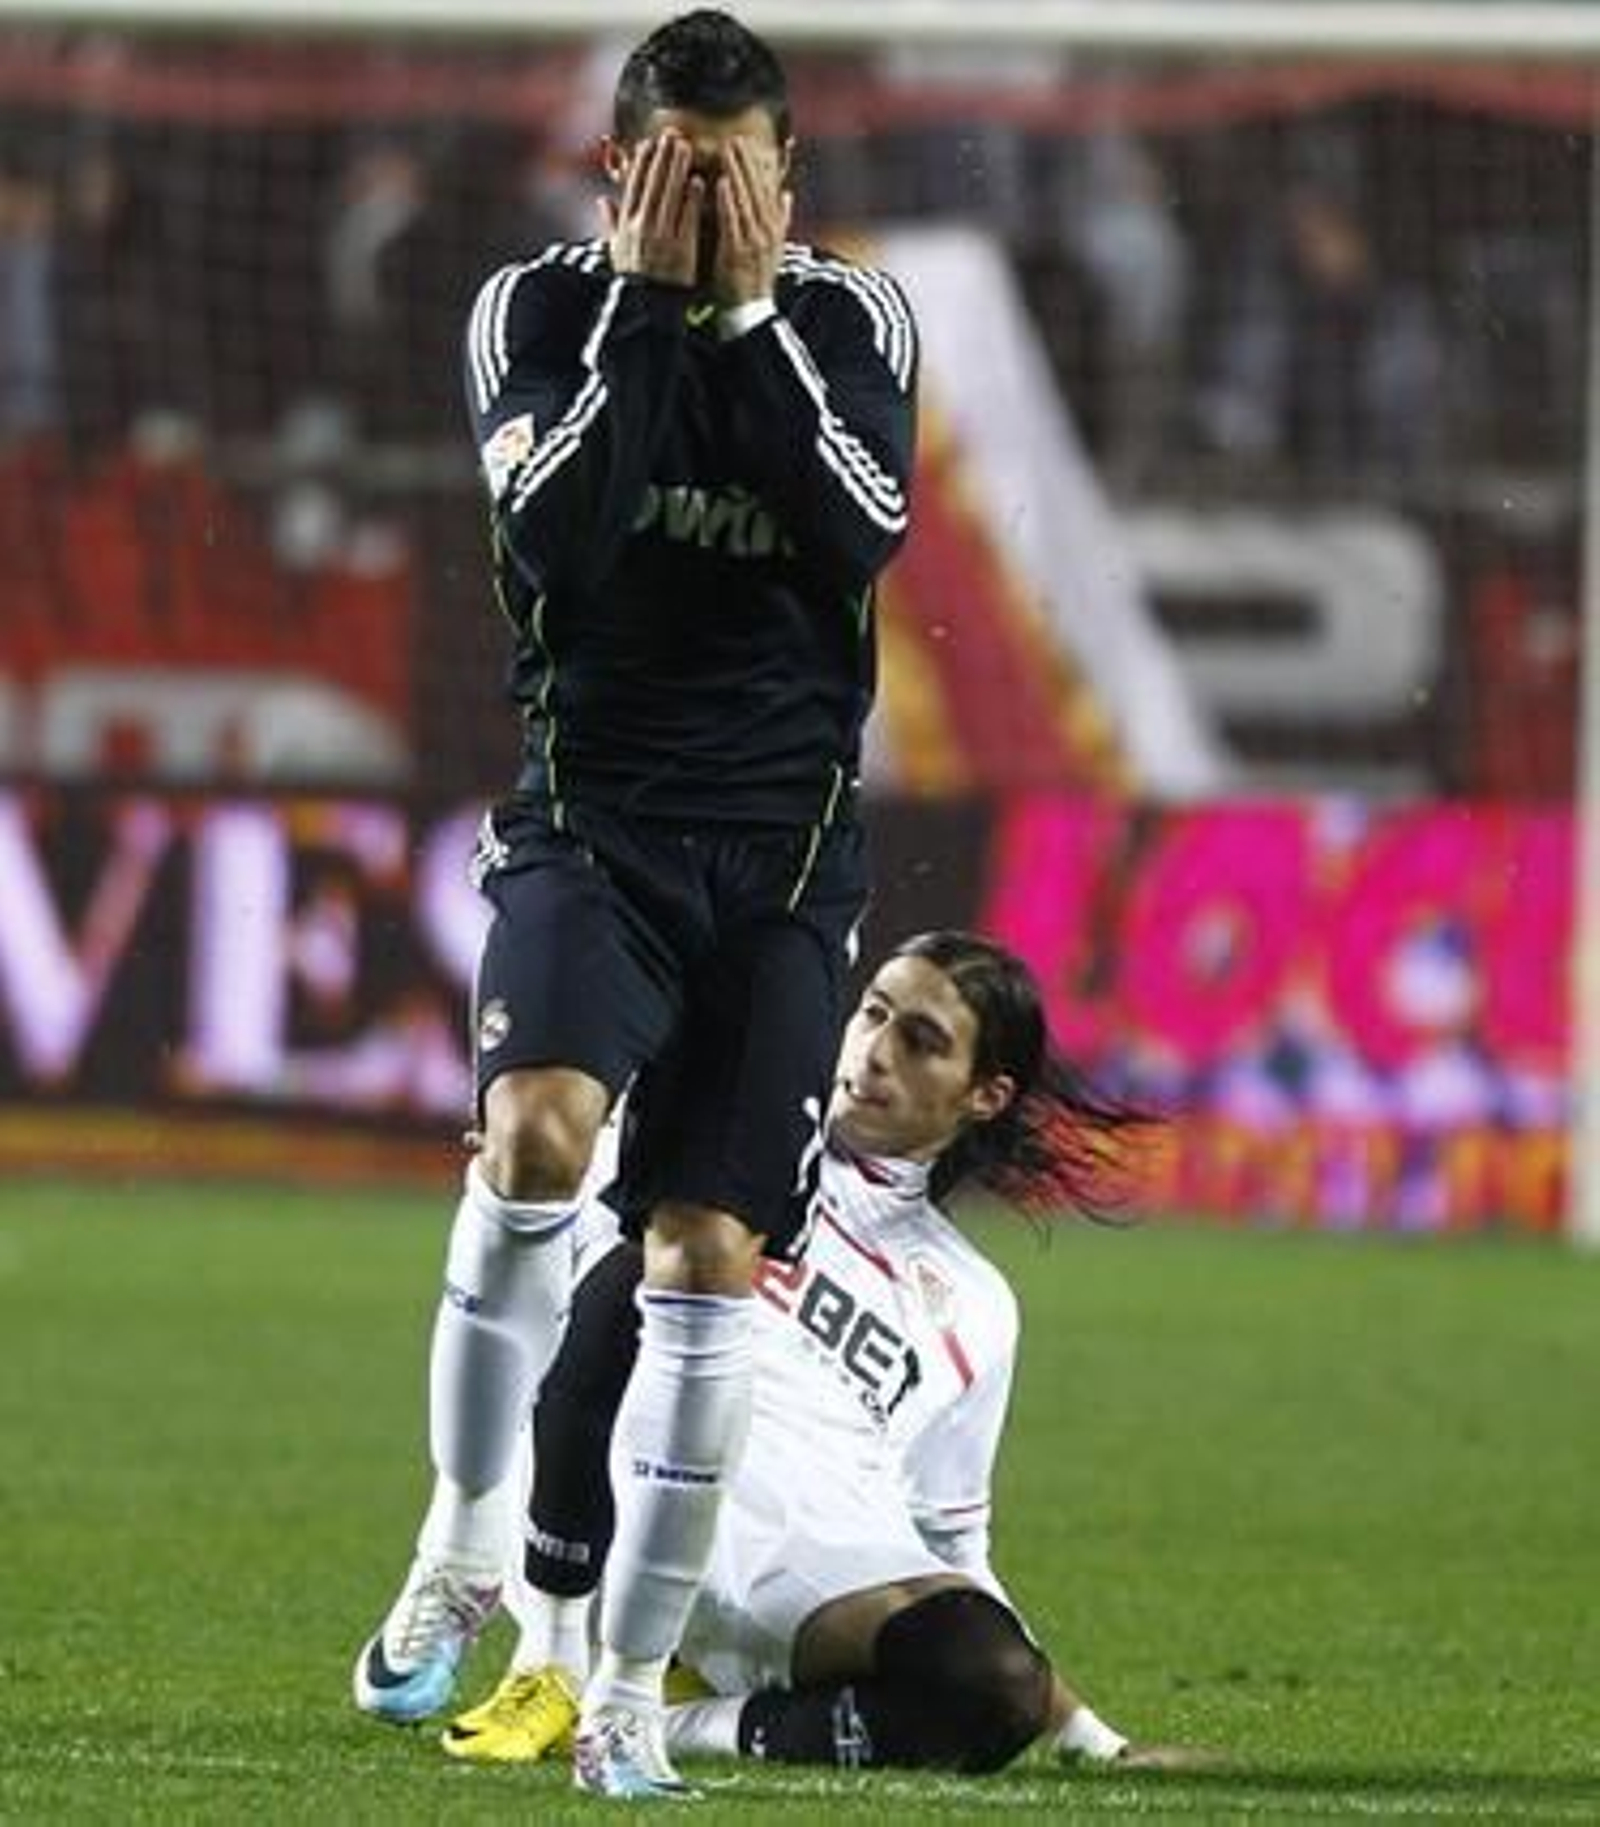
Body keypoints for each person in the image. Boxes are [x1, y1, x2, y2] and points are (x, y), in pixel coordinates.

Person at [351, 7, 918, 1803]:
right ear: (618, 172)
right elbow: (559, 529)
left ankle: (619, 1688)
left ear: (791, 179)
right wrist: (655, 314)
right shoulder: (533, 313)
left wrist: (739, 322)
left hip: (784, 860)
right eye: (684, 175)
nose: (719, 206)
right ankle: (460, 1535)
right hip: (591, 829)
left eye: (743, 178)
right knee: (532, 1136)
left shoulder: (851, 319)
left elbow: (859, 529)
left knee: (704, 1256)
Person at [439, 933, 1196, 1782]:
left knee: (990, 1684)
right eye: (873, 1013)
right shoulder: (709, 1138)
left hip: (824, 1561)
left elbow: (951, 1544)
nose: (874, 1051)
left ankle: (683, 1721)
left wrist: (1091, 1737)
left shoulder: (976, 1304)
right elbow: (536, 1265)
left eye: (921, 1040)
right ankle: (580, 1661)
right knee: (627, 1281)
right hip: (644, 1510)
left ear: (986, 1094)